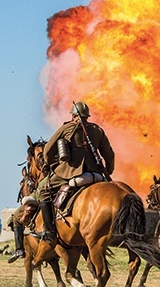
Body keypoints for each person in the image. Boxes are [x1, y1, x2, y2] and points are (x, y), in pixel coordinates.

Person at [28, 101, 115, 266]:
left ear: (73, 116)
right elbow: (109, 153)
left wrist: (48, 164)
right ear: (87, 116)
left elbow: (48, 151)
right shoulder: (97, 131)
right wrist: (108, 171)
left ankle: (50, 232)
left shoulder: (66, 128)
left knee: (44, 190)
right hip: (96, 173)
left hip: (71, 172)